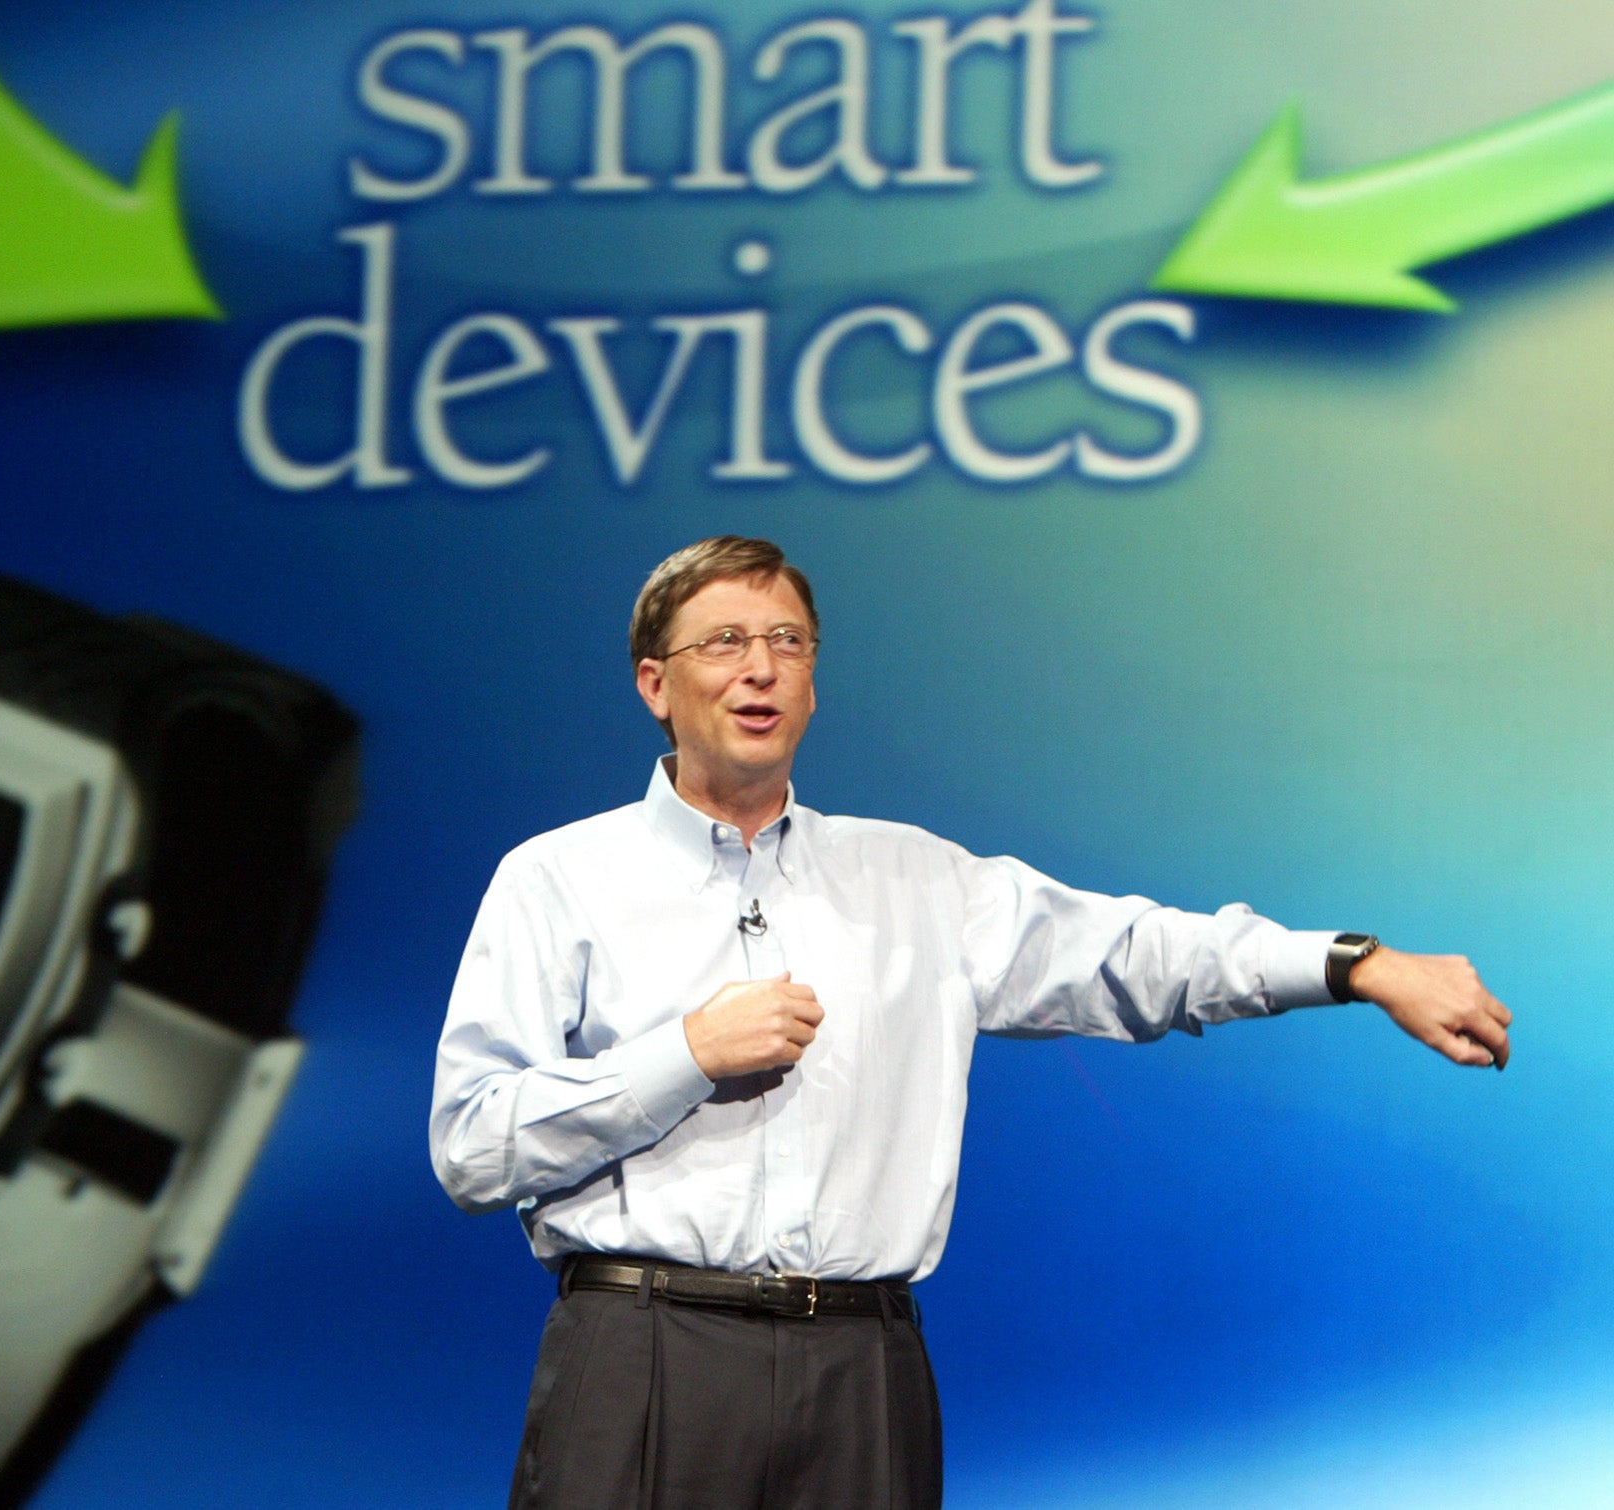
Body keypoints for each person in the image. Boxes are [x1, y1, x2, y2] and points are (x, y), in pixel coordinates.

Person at [429, 536, 1512, 1510]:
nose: (759, 667)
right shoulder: (558, 878)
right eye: (723, 641)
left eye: (787, 641)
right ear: (655, 685)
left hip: (862, 1366)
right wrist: (681, 1057)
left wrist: (1354, 962)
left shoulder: (917, 877)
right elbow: (473, 1145)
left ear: (813, 683)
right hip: (648, 1351)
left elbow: (1138, 955)